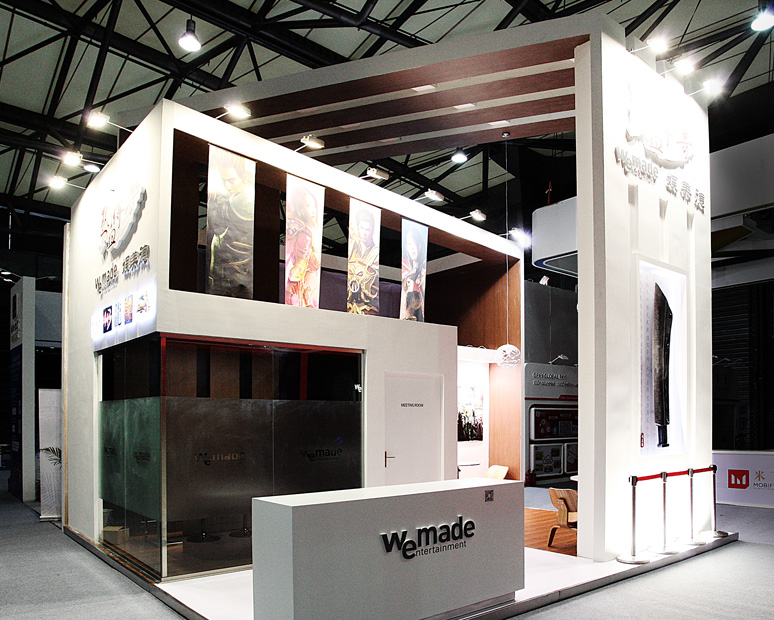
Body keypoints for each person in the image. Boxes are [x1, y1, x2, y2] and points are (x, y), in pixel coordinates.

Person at [207, 163, 254, 299]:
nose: (227, 186)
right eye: (224, 181)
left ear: (243, 179)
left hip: (236, 284)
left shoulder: (241, 202)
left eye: (231, 180)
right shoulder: (230, 201)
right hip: (222, 282)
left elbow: (217, 227)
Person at [347, 207, 380, 314]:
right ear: (358, 228)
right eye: (362, 228)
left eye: (367, 229)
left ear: (372, 230)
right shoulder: (352, 248)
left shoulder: (375, 253)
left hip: (369, 306)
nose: (364, 233)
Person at [400, 225, 426, 321]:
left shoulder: (423, 274)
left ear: (419, 245)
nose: (412, 248)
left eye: (414, 243)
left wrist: (416, 288)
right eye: (409, 244)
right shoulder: (406, 274)